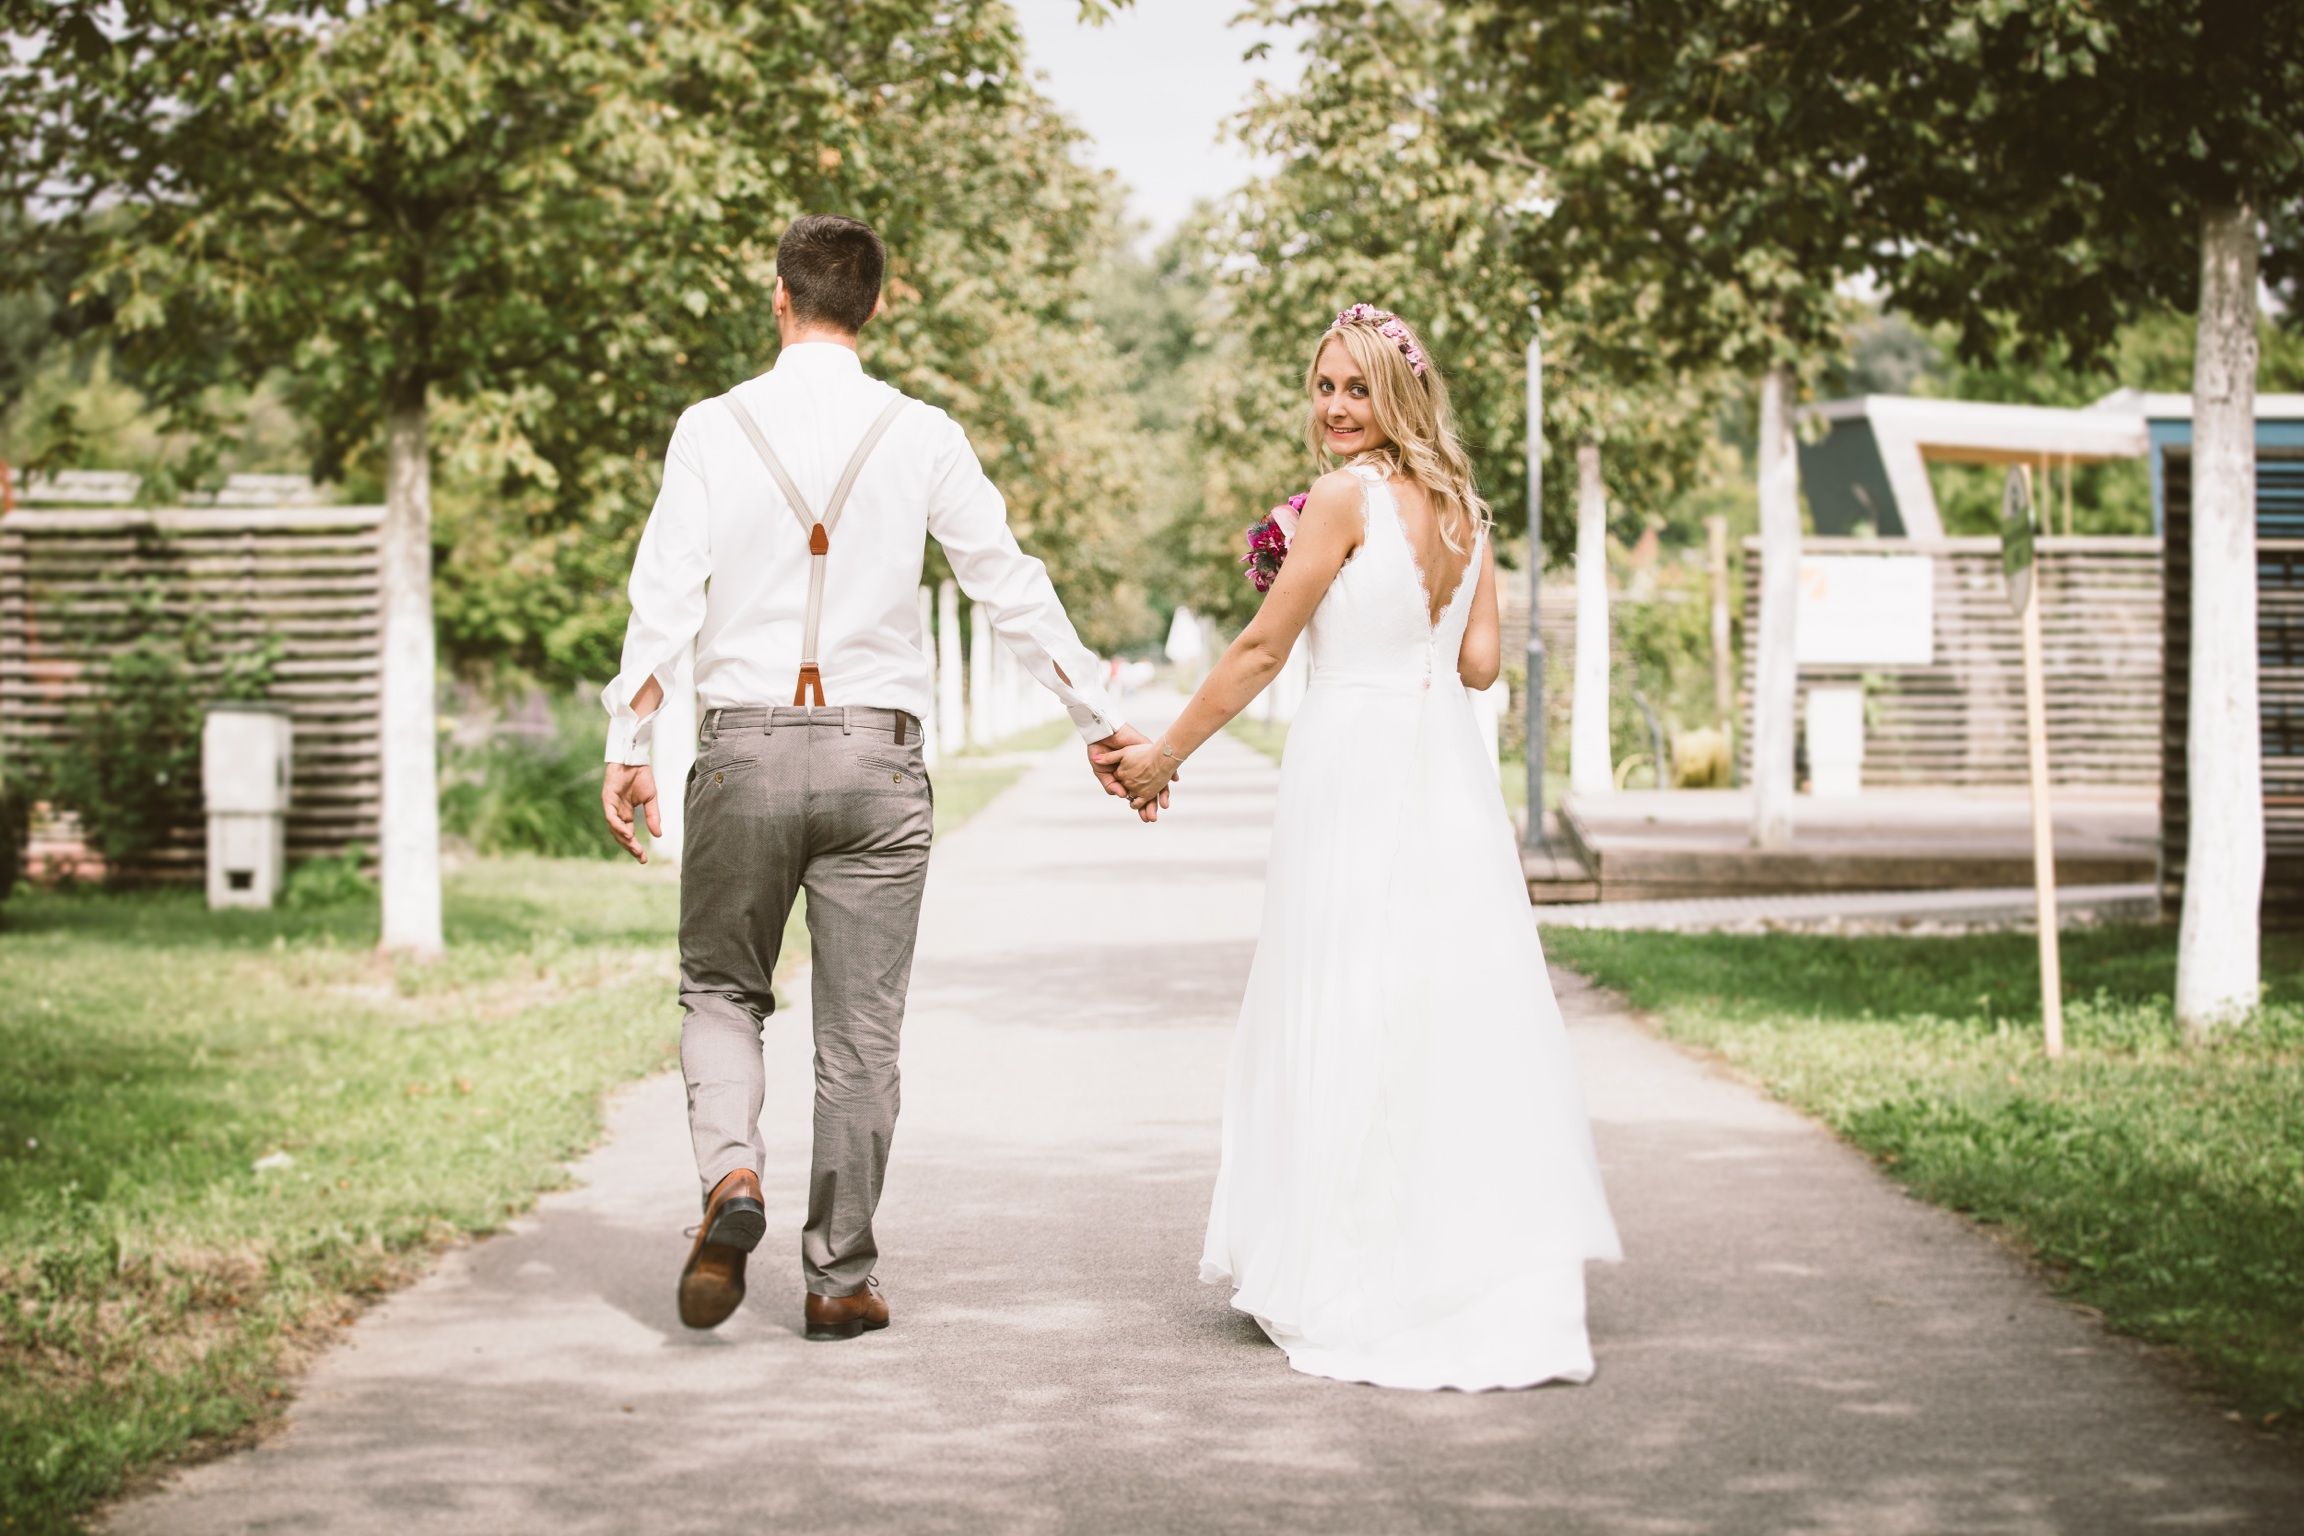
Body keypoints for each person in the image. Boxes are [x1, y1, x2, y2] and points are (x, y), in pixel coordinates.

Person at [598, 214, 1161, 1339]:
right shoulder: (923, 433)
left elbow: (666, 591)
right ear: (878, 306)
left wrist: (629, 736)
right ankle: (838, 1279)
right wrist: (1100, 719)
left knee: (721, 988)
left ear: (779, 297)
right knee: (860, 1035)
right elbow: (1007, 584)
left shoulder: (711, 428)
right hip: (877, 758)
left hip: (744, 748)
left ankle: (731, 1177)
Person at [1101, 304, 1623, 1390]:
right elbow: (1480, 665)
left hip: (1352, 761)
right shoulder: (1467, 511)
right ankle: (1454, 1250)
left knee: (1343, 986)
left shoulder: (1341, 501)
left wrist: (1163, 757)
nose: (1334, 407)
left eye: (1354, 388)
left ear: (1398, 394)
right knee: (1433, 997)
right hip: (1444, 774)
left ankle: (1349, 1262)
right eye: (1324, 386)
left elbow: (1257, 651)